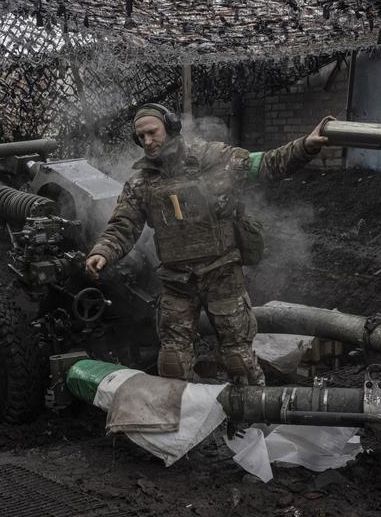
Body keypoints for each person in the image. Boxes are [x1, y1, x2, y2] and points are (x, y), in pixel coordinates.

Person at [85, 103, 331, 385]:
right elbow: (123, 225)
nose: (147, 142)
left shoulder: (212, 158)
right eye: (141, 138)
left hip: (222, 274)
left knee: (239, 361)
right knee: (172, 365)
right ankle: (189, 423)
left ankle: (249, 422)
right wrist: (103, 252)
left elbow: (265, 164)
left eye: (152, 133)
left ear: (172, 127)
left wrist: (306, 146)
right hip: (176, 283)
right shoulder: (140, 183)